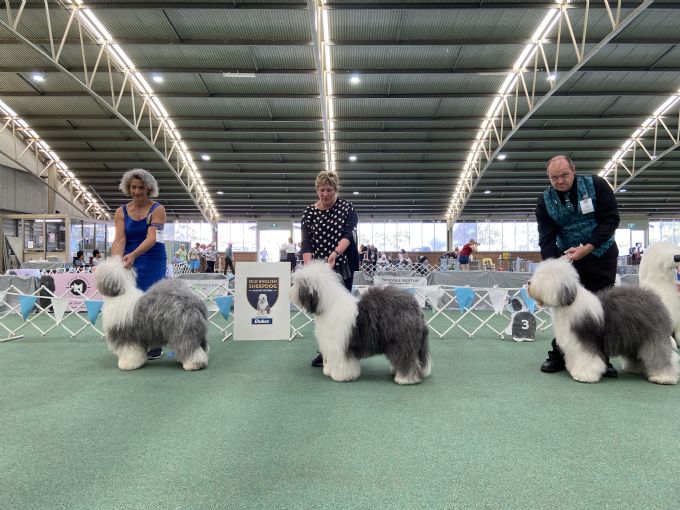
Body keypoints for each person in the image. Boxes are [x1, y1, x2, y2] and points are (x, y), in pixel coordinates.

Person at [536, 154, 620, 377]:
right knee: (565, 307)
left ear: (573, 170)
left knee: (600, 309)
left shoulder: (597, 186)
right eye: (554, 177)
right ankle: (560, 355)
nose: (560, 181)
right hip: (569, 260)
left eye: (564, 175)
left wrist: (589, 247)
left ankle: (601, 358)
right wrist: (553, 266)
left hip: (601, 254)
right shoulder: (544, 201)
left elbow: (611, 220)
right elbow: (546, 238)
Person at [301, 170, 359, 368]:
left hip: (342, 264)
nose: (325, 194)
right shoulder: (309, 212)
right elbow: (306, 242)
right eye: (322, 190)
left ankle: (346, 349)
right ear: (317, 190)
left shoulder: (347, 208)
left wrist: (335, 253)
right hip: (320, 270)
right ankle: (325, 351)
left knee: (342, 312)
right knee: (322, 312)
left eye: (329, 190)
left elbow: (348, 235)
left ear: (336, 190)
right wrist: (309, 268)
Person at [112, 168, 167, 360]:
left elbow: (152, 238)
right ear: (128, 188)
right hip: (129, 259)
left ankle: (156, 342)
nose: (137, 191)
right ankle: (135, 342)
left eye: (141, 187)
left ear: (149, 189)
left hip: (152, 257)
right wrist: (116, 262)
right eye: (133, 187)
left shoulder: (157, 209)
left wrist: (134, 254)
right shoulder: (120, 211)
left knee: (151, 300)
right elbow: (119, 239)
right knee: (131, 302)